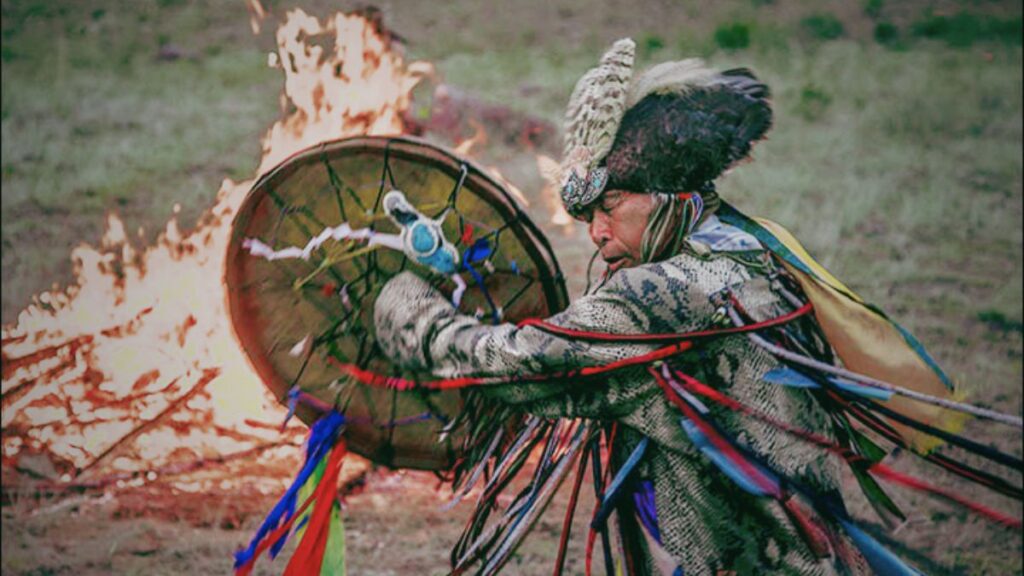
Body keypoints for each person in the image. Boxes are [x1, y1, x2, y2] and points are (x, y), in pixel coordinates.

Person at [373, 38, 957, 575]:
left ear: (671, 197)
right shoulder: (749, 248)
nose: (598, 233)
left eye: (613, 205)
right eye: (588, 216)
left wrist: (409, 312)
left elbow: (523, 363)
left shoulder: (659, 297)